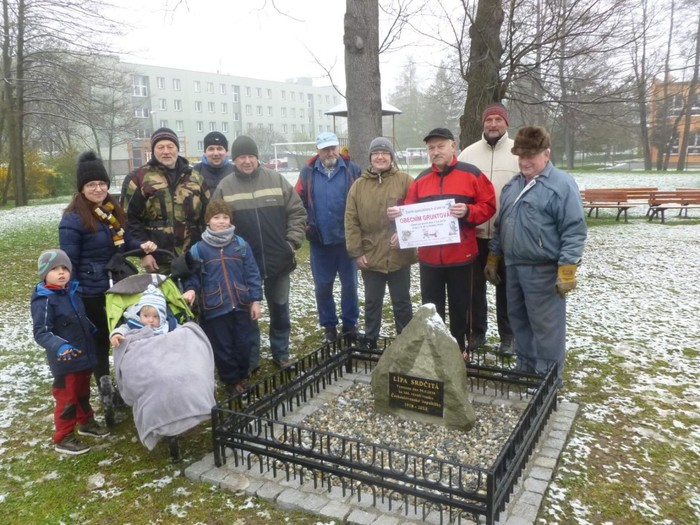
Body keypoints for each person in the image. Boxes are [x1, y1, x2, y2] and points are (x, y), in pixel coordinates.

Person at [486, 126, 586, 387]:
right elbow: (502, 224)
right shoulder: (513, 185)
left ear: (546, 154)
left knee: (546, 328)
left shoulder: (561, 185)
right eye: (521, 156)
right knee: (519, 321)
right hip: (513, 268)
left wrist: (567, 268)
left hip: (543, 270)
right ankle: (526, 368)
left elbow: (574, 229)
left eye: (530, 155)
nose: (525, 161)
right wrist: (494, 255)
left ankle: (547, 379)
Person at [59, 151, 156, 412]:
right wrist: (73, 294)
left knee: (125, 334)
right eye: (91, 184)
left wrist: (142, 246)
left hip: (118, 284)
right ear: (82, 188)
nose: (98, 189)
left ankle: (128, 384)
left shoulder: (111, 211)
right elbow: (69, 261)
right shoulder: (73, 219)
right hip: (92, 290)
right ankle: (105, 387)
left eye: (102, 183)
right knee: (101, 339)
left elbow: (123, 241)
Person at [388, 128, 496, 354]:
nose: (435, 151)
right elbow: (410, 211)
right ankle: (435, 351)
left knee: (461, 306)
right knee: (431, 309)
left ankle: (459, 350)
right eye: (431, 148)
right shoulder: (421, 179)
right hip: (429, 259)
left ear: (453, 146)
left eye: (440, 146)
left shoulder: (471, 174)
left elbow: (489, 205)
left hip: (461, 256)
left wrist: (468, 211)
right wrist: (400, 218)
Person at [212, 135, 306, 370]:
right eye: (242, 157)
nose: (247, 161)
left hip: (278, 259)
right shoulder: (225, 186)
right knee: (247, 313)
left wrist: (291, 243)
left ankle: (281, 352)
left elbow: (297, 212)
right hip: (243, 264)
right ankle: (251, 358)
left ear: (257, 158)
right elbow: (215, 221)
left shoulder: (276, 179)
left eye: (251, 156)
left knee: (280, 308)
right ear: (234, 160)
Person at [30, 249, 110, 455]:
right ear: (44, 273)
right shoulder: (44, 299)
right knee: (67, 398)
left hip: (83, 355)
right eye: (54, 269)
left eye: (65, 268)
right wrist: (60, 346)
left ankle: (86, 422)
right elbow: (41, 332)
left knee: (83, 392)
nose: (61, 273)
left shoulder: (71, 292)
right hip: (65, 361)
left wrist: (92, 329)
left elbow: (80, 317)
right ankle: (63, 437)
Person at [457, 103, 519, 355]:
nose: (493, 124)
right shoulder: (468, 154)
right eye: (489, 120)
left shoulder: (518, 152)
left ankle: (508, 336)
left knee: (507, 288)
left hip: (508, 234)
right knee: (474, 288)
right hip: (475, 232)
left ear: (506, 123)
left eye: (498, 119)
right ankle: (476, 332)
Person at [182, 200, 262, 394]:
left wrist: (255, 300)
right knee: (222, 347)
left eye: (225, 217)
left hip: (241, 303)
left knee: (244, 343)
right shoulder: (198, 249)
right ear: (208, 220)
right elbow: (192, 276)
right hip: (214, 307)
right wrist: (191, 289)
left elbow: (252, 273)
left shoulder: (240, 245)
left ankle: (243, 375)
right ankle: (231, 381)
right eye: (216, 217)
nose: (221, 221)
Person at [345, 137, 416, 349]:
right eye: (376, 153)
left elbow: (417, 211)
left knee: (402, 301)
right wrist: (357, 252)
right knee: (372, 301)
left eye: (385, 153)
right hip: (371, 253)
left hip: (399, 254)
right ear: (370, 158)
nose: (380, 157)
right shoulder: (358, 186)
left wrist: (404, 233)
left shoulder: (405, 181)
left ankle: (405, 340)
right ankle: (370, 338)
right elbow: (351, 221)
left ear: (391, 157)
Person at [295, 131, 361, 343]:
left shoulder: (352, 170)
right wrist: (306, 225)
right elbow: (297, 202)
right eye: (325, 149)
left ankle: (350, 325)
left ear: (337, 147)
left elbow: (363, 199)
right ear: (318, 150)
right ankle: (329, 327)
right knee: (323, 287)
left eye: (333, 148)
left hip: (347, 241)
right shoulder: (307, 172)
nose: (330, 152)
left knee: (350, 286)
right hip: (320, 241)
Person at [122, 127, 209, 273]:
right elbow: (129, 220)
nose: (166, 151)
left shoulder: (196, 178)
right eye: (160, 147)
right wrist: (143, 253)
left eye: (170, 146)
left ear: (177, 149)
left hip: (192, 256)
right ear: (153, 150)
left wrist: (206, 249)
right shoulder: (138, 178)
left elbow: (207, 216)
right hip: (157, 259)